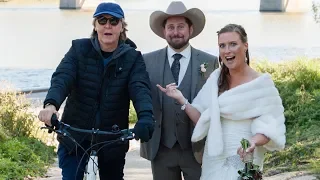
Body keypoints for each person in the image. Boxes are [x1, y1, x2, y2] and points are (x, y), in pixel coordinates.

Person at [37, 2, 154, 180]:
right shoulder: (78, 49)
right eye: (102, 20)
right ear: (95, 25)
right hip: (74, 134)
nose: (108, 25)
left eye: (114, 21)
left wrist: (145, 117)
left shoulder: (132, 58)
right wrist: (51, 105)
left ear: (122, 26)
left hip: (112, 137)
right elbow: (62, 78)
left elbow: (140, 88)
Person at [157, 23, 286, 180]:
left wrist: (252, 142)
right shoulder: (216, 78)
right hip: (214, 156)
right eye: (222, 46)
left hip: (242, 154)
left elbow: (270, 128)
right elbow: (202, 118)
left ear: (245, 46)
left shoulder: (262, 84)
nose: (227, 50)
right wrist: (181, 99)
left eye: (233, 44)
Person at [140, 1, 219, 180]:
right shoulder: (146, 61)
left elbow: (216, 104)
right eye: (171, 27)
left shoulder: (210, 62)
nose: (176, 32)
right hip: (161, 149)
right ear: (164, 31)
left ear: (191, 29)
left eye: (181, 26)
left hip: (198, 150)